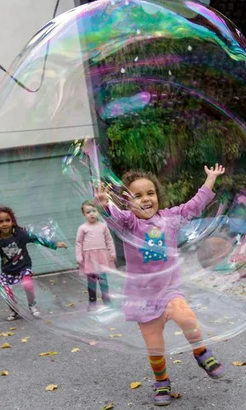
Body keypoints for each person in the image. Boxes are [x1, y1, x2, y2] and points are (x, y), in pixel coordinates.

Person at [96, 164, 227, 407]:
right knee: (155, 346)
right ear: (127, 202)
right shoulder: (129, 223)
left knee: (188, 319)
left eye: (150, 193)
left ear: (158, 195)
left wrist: (210, 179)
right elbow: (113, 215)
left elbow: (194, 205)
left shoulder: (169, 219)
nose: (146, 199)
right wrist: (105, 204)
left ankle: (200, 352)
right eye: (137, 195)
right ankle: (162, 382)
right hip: (142, 297)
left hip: (169, 290)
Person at [0, 206, 68, 321]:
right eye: (1, 221)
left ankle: (32, 305)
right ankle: (14, 311)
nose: (5, 224)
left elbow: (37, 238)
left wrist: (55, 244)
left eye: (7, 220)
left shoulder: (20, 234)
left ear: (13, 222)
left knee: (27, 284)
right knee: (7, 292)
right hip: (7, 271)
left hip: (23, 267)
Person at [76, 200, 116, 311]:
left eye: (94, 211)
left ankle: (107, 301)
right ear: (84, 215)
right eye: (88, 212)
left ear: (97, 211)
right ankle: (92, 302)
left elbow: (109, 240)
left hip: (101, 256)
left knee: (103, 280)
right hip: (89, 257)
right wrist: (79, 256)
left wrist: (112, 252)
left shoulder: (103, 226)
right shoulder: (83, 228)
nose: (92, 214)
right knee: (92, 281)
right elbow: (78, 243)